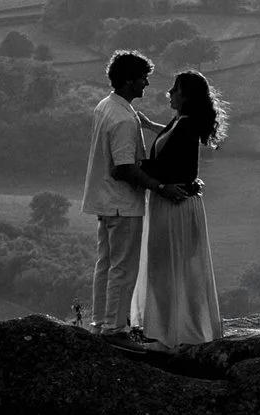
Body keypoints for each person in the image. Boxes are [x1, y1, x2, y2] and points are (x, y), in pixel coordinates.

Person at [131, 69, 225, 347]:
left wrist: (131, 168)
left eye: (175, 89)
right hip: (175, 202)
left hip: (174, 203)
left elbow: (168, 163)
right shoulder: (182, 121)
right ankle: (176, 329)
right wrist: (150, 127)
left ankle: (168, 333)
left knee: (166, 268)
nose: (169, 93)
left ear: (186, 96)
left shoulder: (185, 125)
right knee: (175, 267)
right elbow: (172, 139)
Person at [81, 50, 166, 337]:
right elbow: (124, 168)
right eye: (143, 78)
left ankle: (99, 323)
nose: (147, 84)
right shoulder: (124, 121)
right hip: (122, 204)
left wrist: (149, 124)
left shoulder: (108, 106)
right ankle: (115, 329)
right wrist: (160, 186)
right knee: (124, 269)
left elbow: (128, 124)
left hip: (104, 201)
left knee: (105, 264)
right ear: (130, 80)